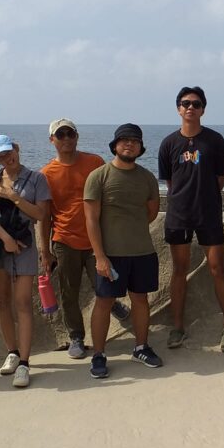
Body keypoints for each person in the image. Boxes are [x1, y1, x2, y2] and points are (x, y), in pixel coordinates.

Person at [37, 118, 129, 360]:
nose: (66, 138)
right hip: (64, 241)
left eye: (70, 133)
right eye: (61, 135)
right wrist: (44, 250)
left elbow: (110, 197)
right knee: (69, 292)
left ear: (76, 136)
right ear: (52, 140)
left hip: (96, 240)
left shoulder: (94, 163)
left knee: (105, 285)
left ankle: (114, 305)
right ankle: (76, 337)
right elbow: (44, 216)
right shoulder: (46, 174)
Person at [157, 86, 224, 351]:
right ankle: (177, 327)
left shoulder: (214, 140)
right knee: (179, 271)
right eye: (185, 103)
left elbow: (221, 176)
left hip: (208, 214)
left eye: (196, 103)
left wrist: (204, 195)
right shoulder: (169, 143)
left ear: (203, 109)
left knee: (217, 268)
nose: (190, 108)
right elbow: (170, 181)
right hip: (179, 215)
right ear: (178, 108)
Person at [83, 124, 162, 379]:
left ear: (140, 147)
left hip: (142, 252)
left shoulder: (147, 177)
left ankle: (141, 347)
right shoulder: (99, 176)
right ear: (115, 145)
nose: (129, 145)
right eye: (124, 140)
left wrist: (132, 231)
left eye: (135, 141)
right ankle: (99, 354)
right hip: (110, 255)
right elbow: (91, 220)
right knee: (104, 302)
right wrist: (100, 256)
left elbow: (151, 211)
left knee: (141, 300)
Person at [0, 134, 50, 388]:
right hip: (0, 246)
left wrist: (15, 198)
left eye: (9, 152)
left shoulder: (36, 178)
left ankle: (24, 362)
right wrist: (6, 238)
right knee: (1, 300)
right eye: (0, 156)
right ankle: (11, 351)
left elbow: (41, 214)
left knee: (22, 302)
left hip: (26, 248)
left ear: (17, 149)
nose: (7, 158)